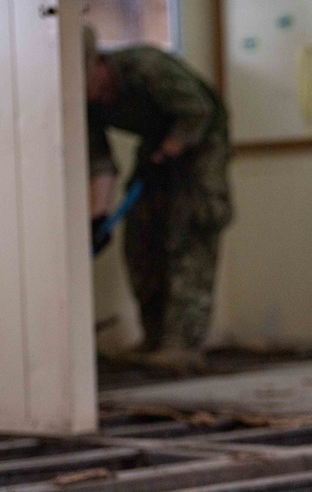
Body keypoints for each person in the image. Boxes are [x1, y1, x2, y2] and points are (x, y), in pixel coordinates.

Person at [84, 25, 232, 371]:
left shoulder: (147, 67)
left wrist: (169, 152)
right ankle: (154, 339)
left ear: (99, 65)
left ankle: (183, 344)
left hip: (200, 146)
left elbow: (199, 111)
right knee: (141, 236)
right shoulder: (85, 103)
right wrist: (98, 217)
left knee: (190, 232)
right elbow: (99, 161)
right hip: (155, 151)